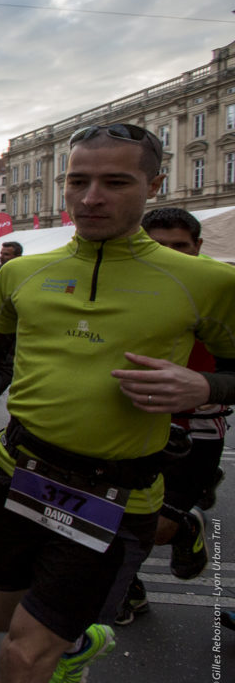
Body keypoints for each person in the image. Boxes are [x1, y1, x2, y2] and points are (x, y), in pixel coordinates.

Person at [0, 124, 235, 683]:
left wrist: (207, 387)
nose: (91, 197)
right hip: (19, 473)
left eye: (115, 181)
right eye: (78, 181)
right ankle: (79, 638)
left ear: (153, 184)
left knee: (24, 655)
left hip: (116, 492)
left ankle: (58, 642)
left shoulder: (204, 281)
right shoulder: (20, 273)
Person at [112, 207, 233, 625]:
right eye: (158, 248)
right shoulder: (118, 288)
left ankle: (184, 528)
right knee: (110, 515)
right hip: (130, 419)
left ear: (197, 247)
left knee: (159, 525)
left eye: (179, 247)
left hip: (195, 426)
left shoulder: (221, 290)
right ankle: (126, 586)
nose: (169, 257)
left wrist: (207, 386)